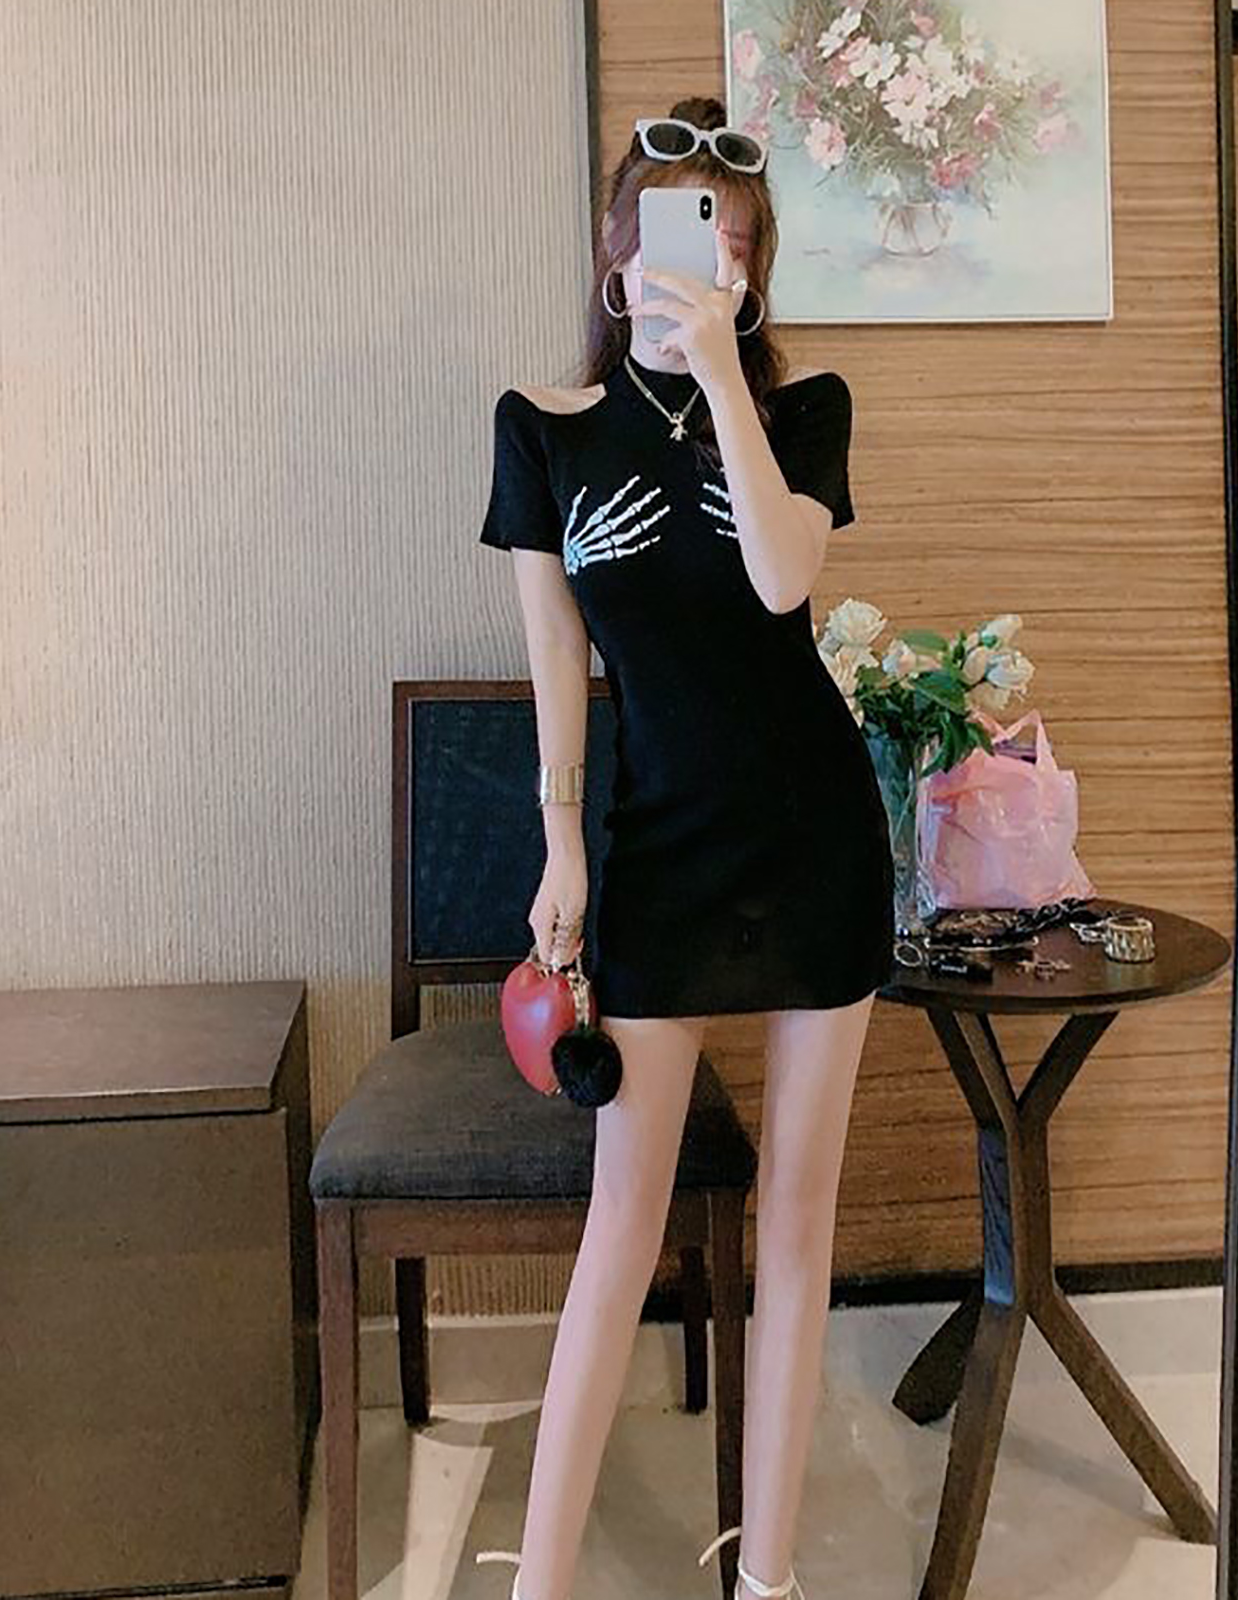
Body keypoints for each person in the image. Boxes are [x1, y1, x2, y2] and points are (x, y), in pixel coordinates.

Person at [474, 94, 893, 1600]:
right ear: (617, 246)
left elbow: (782, 583)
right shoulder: (541, 430)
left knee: (798, 1219)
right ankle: (541, 1582)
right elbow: (558, 662)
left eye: (735, 238)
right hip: (658, 849)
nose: (707, 254)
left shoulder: (805, 410)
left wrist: (720, 373)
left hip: (816, 840)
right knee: (621, 1226)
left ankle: (765, 1578)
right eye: (675, 225)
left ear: (756, 265)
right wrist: (560, 847)